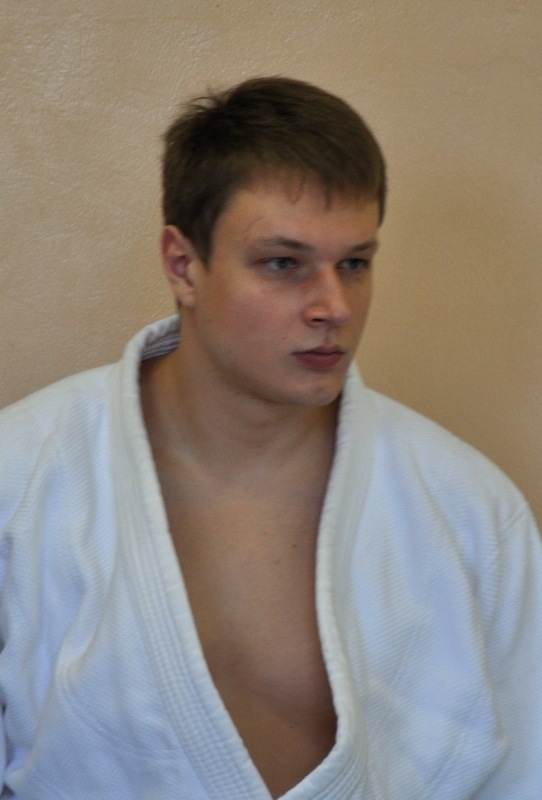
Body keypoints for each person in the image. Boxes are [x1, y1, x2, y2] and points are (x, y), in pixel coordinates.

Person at [0, 76, 541, 800]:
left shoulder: (471, 512)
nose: (333, 306)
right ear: (183, 265)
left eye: (355, 263)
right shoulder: (21, 479)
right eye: (283, 263)